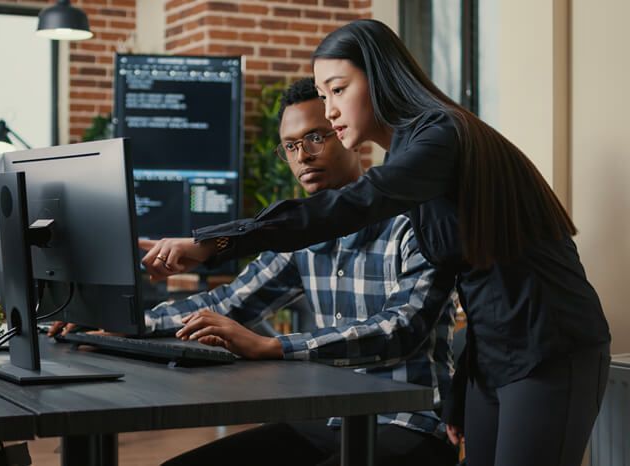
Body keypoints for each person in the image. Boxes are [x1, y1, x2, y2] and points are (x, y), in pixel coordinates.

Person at [140, 20, 611, 466]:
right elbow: (482, 282)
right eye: (324, 95)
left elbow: (354, 205)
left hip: (550, 346)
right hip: (491, 356)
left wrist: (214, 242)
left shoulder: (440, 136)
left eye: (339, 90)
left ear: (382, 78)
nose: (329, 109)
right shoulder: (415, 153)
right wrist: (465, 382)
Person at [90, 78, 456, 465]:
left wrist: (274, 346)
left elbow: (399, 330)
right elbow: (228, 303)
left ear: (347, 135)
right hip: (331, 419)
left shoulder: (414, 221)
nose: (303, 156)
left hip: (410, 424)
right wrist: (125, 323)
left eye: (316, 138)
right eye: (292, 146)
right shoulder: (302, 235)